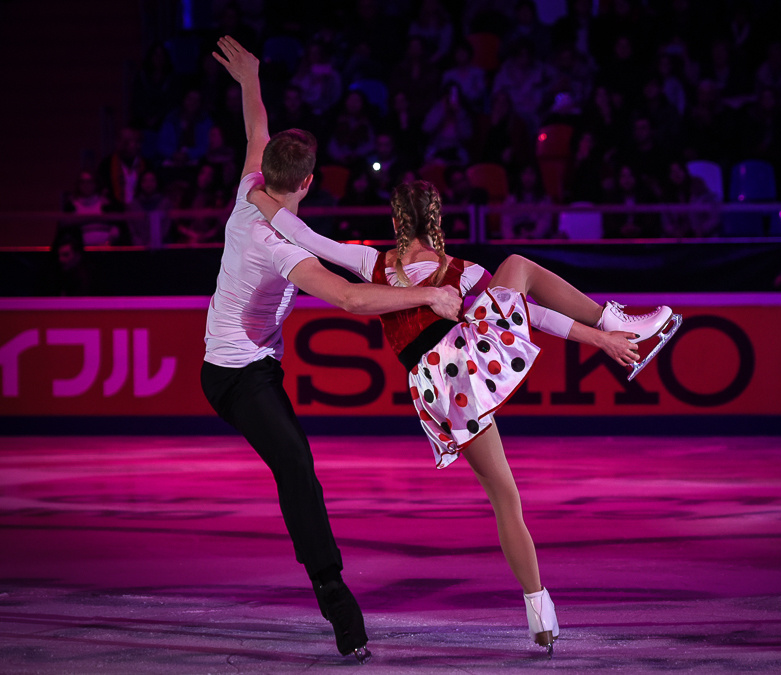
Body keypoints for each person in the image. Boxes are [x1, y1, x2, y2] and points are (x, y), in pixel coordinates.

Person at [249, 179, 681, 655]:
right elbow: (530, 316)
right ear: (438, 223)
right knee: (517, 270)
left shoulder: (373, 262)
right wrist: (597, 339)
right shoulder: (465, 272)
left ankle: (542, 613)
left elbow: (304, 236)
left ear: (395, 223)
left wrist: (257, 198)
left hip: (438, 386)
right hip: (467, 364)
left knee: (503, 492)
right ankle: (610, 322)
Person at [202, 37, 462, 663]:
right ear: (311, 183)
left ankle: (331, 591)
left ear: (269, 173)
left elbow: (255, 129)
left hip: (249, 364)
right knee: (297, 467)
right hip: (236, 377)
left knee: (297, 466)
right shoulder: (276, 244)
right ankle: (336, 599)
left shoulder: (248, 190)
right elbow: (348, 301)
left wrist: (252, 80)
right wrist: (426, 300)